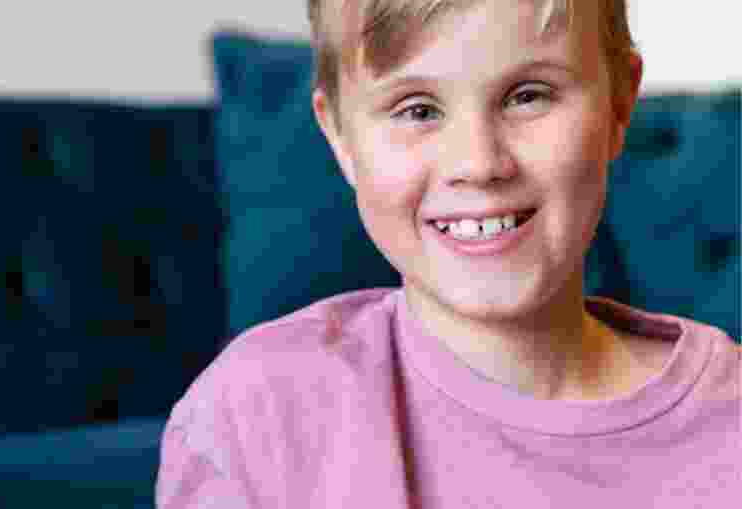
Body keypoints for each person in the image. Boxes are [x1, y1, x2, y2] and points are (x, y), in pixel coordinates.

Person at [155, 1, 740, 507]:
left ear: (619, 106)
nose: (478, 163)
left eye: (527, 96)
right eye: (417, 109)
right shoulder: (256, 416)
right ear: (338, 135)